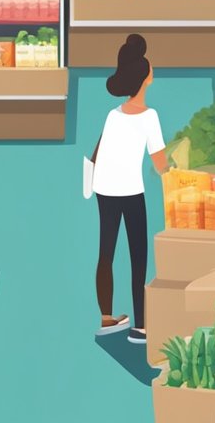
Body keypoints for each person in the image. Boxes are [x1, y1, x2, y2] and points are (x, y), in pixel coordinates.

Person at [89, 33, 167, 344]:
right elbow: (160, 162)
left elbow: (98, 150)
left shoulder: (113, 114)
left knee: (105, 251)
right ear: (146, 77)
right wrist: (175, 174)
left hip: (104, 188)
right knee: (138, 255)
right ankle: (140, 326)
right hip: (131, 191)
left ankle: (107, 318)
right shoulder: (150, 117)